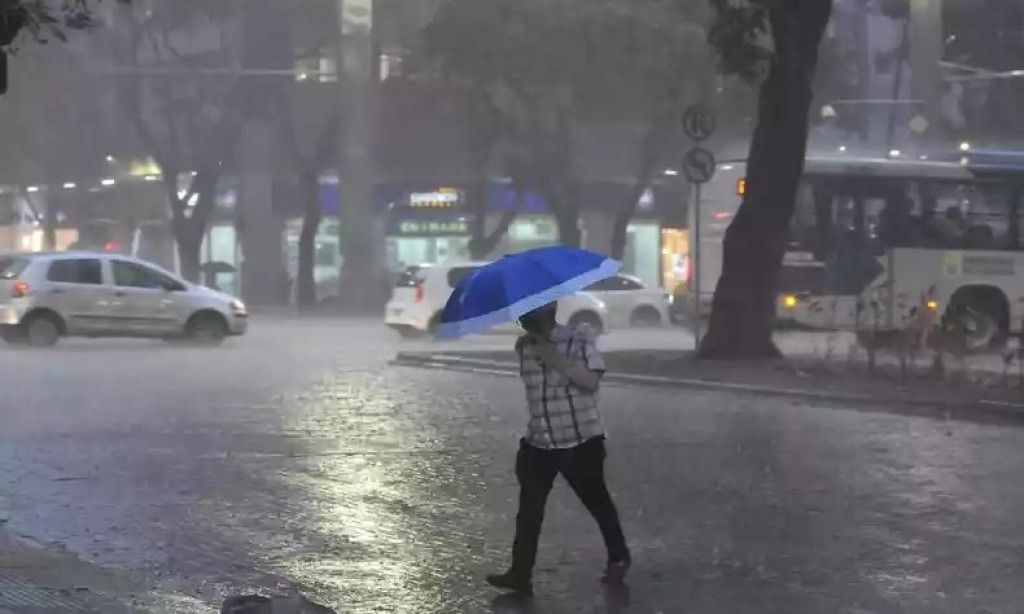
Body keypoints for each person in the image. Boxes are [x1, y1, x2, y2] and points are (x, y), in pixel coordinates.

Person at [486, 303, 630, 595]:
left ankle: (619, 555)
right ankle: (520, 574)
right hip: (539, 444)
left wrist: (555, 358)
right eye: (521, 315)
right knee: (529, 513)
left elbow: (591, 382)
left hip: (580, 441)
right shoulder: (523, 347)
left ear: (549, 311)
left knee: (597, 502)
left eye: (530, 313)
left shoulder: (579, 340)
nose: (523, 320)